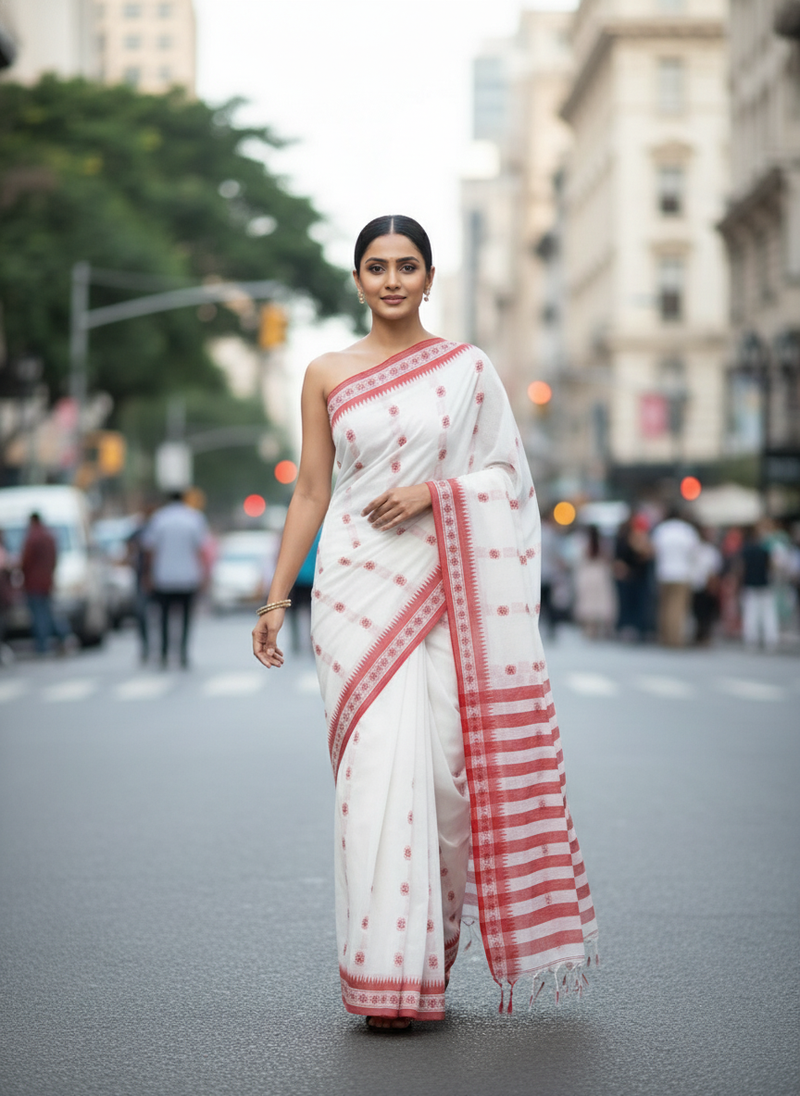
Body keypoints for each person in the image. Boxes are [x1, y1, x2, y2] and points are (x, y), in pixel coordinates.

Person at [251, 215, 598, 1030]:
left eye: (409, 266)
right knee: (374, 780)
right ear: (359, 279)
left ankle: (425, 958)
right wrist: (276, 597)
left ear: (431, 278)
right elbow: (310, 489)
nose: (394, 280)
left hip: (446, 593)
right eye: (377, 267)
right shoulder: (327, 371)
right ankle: (385, 981)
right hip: (353, 593)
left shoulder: (468, 370)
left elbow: (509, 482)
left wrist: (436, 497)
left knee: (443, 784)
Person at [143, 490, 209, 668]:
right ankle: (183, 653)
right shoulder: (194, 518)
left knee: (163, 618)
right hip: (188, 576)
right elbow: (201, 550)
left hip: (164, 576)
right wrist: (204, 575)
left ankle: (164, 653)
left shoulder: (159, 519)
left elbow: (150, 550)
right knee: (186, 618)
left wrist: (148, 575)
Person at [20, 512, 70, 655]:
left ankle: (42, 646)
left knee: (39, 615)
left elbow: (26, 561)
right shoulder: (49, 536)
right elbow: (55, 559)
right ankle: (63, 636)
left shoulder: (32, 538)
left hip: (33, 583)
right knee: (48, 612)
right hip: (47, 581)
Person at [651, 506, 700, 647]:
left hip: (664, 572)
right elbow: (694, 553)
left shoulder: (662, 530)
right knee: (678, 608)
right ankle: (675, 639)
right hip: (682, 572)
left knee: (664, 607)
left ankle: (664, 637)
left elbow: (654, 550)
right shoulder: (687, 531)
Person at [738, 522, 779, 651]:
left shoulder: (747, 550)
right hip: (764, 584)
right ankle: (770, 640)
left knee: (751, 614)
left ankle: (751, 640)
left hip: (750, 584)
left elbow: (741, 568)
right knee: (768, 614)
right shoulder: (766, 549)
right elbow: (772, 567)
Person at [573, 524, 616, 639]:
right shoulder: (603, 544)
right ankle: (599, 629)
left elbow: (578, 560)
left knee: (588, 602)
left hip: (588, 574)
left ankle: (589, 629)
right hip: (599, 574)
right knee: (599, 601)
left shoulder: (583, 543)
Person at [691, 526, 722, 646]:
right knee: (698, 612)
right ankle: (699, 635)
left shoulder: (710, 550)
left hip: (705, 584)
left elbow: (714, 570)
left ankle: (704, 635)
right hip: (697, 584)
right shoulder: (698, 549)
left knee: (705, 612)